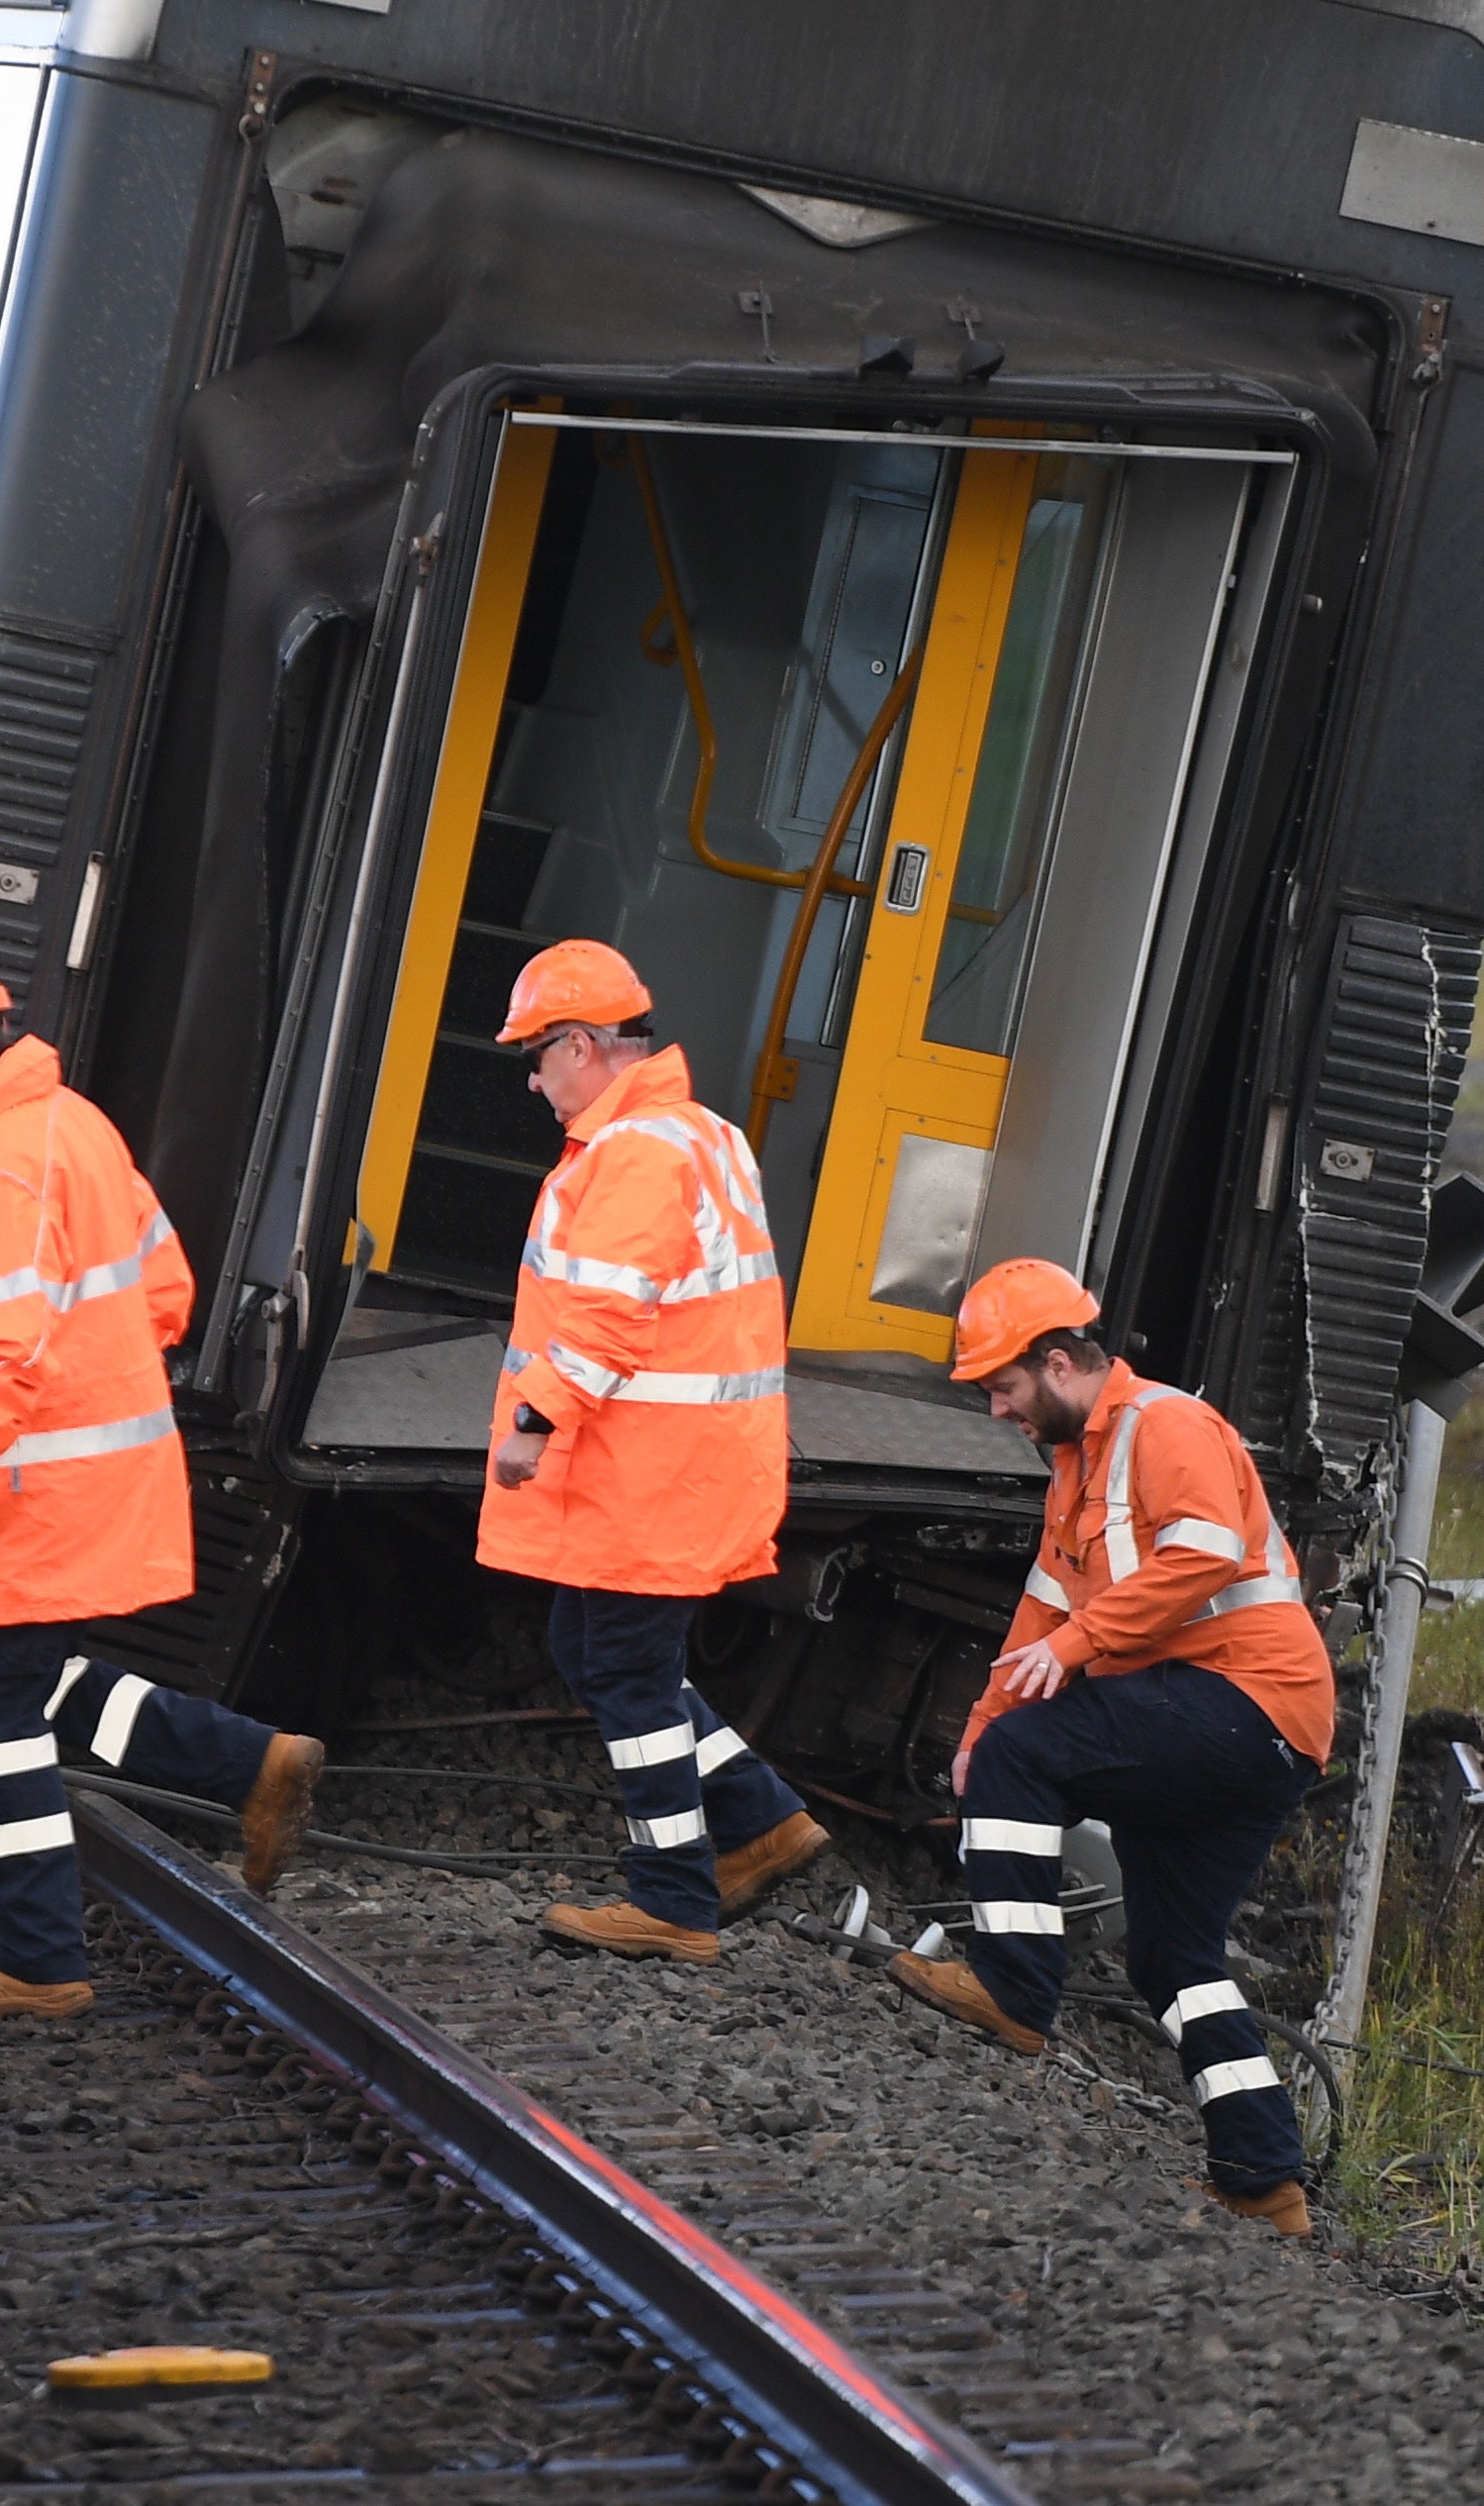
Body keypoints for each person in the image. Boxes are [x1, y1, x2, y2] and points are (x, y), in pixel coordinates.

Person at [0, 938, 328, 2023]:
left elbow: (1, 1351)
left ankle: (38, 1961)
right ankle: (250, 1763)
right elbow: (164, 1288)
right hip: (95, 1473)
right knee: (32, 1682)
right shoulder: (76, 1129)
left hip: (30, 1489)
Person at [887, 1256, 1332, 2236]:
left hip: (1242, 1699)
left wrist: (1069, 1660)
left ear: (1056, 1363)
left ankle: (1012, 1988)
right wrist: (979, 1728)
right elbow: (1041, 1606)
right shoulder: (1074, 1471)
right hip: (1258, 1731)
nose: (998, 1410)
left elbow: (1205, 1551)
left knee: (1030, 1757)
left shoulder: (1161, 1425)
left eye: (1003, 1388)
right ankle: (1263, 2178)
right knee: (1172, 1955)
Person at [476, 938, 830, 1958]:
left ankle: (672, 1898)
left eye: (537, 1057)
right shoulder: (700, 1134)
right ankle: (762, 1819)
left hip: (649, 1468)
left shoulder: (634, 1153)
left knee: (624, 1669)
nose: (534, 1080)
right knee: (590, 1651)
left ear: (582, 1046)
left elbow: (604, 1320)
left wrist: (533, 1424)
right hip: (670, 1462)